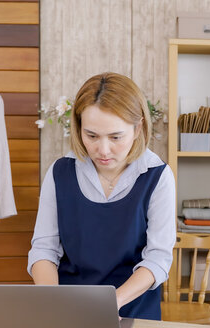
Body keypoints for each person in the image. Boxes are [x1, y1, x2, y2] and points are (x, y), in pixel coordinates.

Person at [28, 72, 176, 320]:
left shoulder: (157, 176)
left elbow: (158, 258)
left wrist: (109, 305)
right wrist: (51, 302)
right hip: (69, 311)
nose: (103, 150)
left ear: (138, 128)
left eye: (116, 137)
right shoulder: (60, 172)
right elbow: (44, 250)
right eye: (92, 136)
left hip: (133, 310)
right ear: (78, 128)